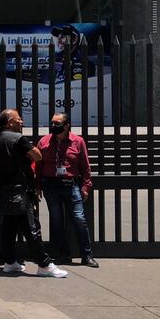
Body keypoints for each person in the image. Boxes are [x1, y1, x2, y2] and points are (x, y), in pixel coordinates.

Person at [0, 109, 68, 279]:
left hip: (3, 190)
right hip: (20, 191)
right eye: (18, 119)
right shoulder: (18, 139)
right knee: (31, 229)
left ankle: (10, 262)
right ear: (10, 122)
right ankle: (44, 264)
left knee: (8, 228)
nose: (21, 122)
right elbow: (37, 156)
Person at [37, 113, 97, 268]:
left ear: (66, 125)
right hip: (51, 185)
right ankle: (63, 254)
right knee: (56, 221)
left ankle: (87, 255)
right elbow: (39, 166)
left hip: (71, 185)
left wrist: (86, 186)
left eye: (57, 124)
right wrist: (38, 186)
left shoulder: (78, 141)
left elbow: (85, 166)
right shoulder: (44, 142)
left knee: (79, 219)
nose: (53, 126)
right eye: (52, 123)